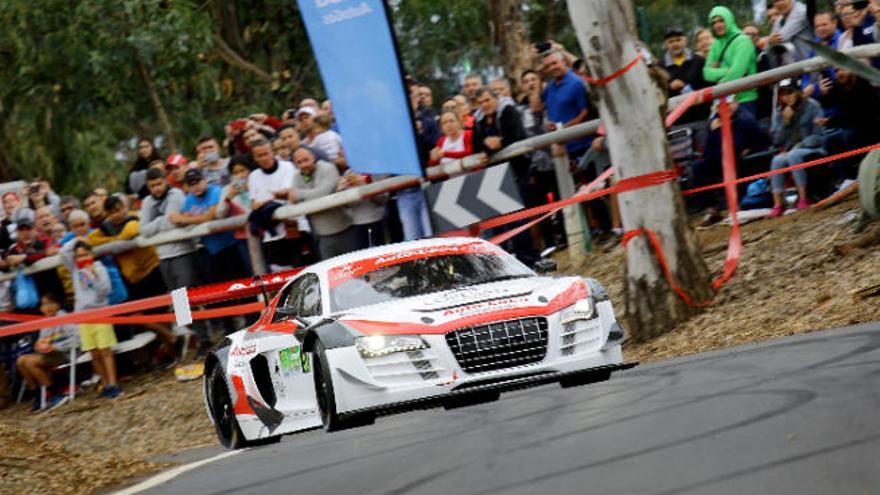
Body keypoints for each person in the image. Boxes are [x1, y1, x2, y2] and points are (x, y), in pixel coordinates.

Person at [89, 195, 178, 356]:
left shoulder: (135, 218)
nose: (117, 214)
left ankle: (172, 349)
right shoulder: (106, 227)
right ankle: (171, 339)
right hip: (131, 278)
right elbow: (92, 240)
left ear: (124, 207)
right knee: (139, 317)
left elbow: (131, 230)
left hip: (151, 270)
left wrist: (114, 242)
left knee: (160, 312)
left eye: (119, 209)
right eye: (112, 212)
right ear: (107, 214)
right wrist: (114, 242)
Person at [139, 167, 210, 351]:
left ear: (165, 180)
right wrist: (161, 223)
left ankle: (205, 337)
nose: (156, 188)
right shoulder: (147, 202)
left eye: (159, 183)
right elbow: (144, 230)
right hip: (163, 256)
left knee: (188, 298)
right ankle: (196, 338)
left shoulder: (176, 194)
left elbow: (172, 221)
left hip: (183, 252)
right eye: (152, 185)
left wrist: (157, 224)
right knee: (179, 303)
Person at [690, 97, 771, 226]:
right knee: (699, 167)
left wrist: (717, 131)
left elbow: (735, 145)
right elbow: (706, 150)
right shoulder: (714, 121)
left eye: (728, 104)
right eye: (721, 106)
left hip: (744, 161)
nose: (726, 108)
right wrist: (715, 132)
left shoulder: (745, 119)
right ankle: (711, 210)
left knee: (730, 159)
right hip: (719, 159)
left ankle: (737, 206)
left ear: (735, 103)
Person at [60, 238, 121, 399]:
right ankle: (105, 383)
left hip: (100, 313)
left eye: (85, 254)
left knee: (105, 350)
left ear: (92, 254)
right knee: (94, 353)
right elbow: (63, 252)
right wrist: (76, 240)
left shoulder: (100, 269)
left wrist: (94, 274)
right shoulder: (74, 269)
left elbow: (105, 290)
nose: (82, 258)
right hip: (82, 315)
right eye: (79, 256)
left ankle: (114, 384)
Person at [768, 79, 826, 217]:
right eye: (783, 94)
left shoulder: (812, 106)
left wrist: (799, 146)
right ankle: (778, 205)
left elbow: (819, 136)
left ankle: (803, 199)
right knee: (777, 160)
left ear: (798, 92)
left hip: (814, 149)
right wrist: (785, 122)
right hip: (791, 151)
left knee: (794, 155)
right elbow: (776, 141)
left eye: (790, 92)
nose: (786, 97)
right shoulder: (779, 112)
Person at [288, 147, 358, 260]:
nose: (303, 164)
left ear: (313, 158)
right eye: (299, 162)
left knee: (355, 268)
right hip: (322, 234)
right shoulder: (296, 176)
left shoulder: (327, 167)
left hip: (344, 229)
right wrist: (307, 197)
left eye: (306, 160)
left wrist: (299, 194)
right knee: (331, 274)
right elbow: (296, 203)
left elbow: (323, 193)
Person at [16, 292, 80, 412]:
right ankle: (38, 396)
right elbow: (40, 342)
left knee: (30, 362)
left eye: (51, 303)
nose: (48, 307)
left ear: (58, 305)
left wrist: (55, 346)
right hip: (48, 354)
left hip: (63, 353)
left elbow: (77, 339)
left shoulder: (64, 317)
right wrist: (39, 346)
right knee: (20, 361)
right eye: (44, 305)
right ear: (41, 308)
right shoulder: (45, 322)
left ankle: (54, 394)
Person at [247, 139, 302, 269]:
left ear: (273, 152)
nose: (264, 158)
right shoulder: (254, 176)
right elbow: (254, 204)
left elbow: (288, 193)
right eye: (260, 156)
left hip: (294, 227)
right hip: (270, 235)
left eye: (266, 153)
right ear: (255, 158)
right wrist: (272, 197)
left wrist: (269, 198)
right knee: (280, 274)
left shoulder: (287, 166)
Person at [531, 50, 593, 160]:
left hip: (582, 147)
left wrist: (563, 130)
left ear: (563, 62)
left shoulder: (576, 82)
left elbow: (584, 113)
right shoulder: (550, 86)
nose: (551, 68)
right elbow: (537, 108)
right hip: (561, 149)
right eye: (547, 66)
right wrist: (539, 77)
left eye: (554, 63)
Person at [704, 6, 759, 116]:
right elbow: (706, 73)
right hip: (722, 102)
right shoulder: (716, 43)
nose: (717, 25)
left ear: (728, 19)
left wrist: (718, 71)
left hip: (745, 101)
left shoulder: (743, 41)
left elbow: (736, 74)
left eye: (721, 20)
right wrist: (728, 70)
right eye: (713, 23)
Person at [662, 26, 710, 122]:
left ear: (685, 41)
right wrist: (669, 86)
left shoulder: (698, 61)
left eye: (678, 40)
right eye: (671, 41)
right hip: (676, 122)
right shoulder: (660, 67)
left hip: (701, 118)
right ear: (666, 44)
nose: (675, 44)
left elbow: (708, 85)